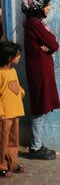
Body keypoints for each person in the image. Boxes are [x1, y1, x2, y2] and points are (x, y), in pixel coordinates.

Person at [21, 0, 60, 160]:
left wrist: (49, 46)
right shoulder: (35, 25)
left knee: (42, 107)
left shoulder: (34, 23)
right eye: (46, 6)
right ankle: (35, 148)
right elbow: (54, 43)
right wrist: (50, 45)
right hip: (40, 71)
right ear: (37, 8)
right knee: (40, 108)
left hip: (40, 69)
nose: (49, 8)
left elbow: (50, 45)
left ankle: (37, 144)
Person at [0, 41, 25, 178]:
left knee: (14, 140)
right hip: (4, 114)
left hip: (15, 111)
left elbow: (16, 86)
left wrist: (21, 92)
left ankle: (13, 163)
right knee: (3, 140)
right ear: (9, 58)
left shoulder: (13, 71)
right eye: (17, 55)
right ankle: (1, 165)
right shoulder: (0, 73)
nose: (19, 57)